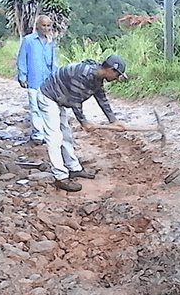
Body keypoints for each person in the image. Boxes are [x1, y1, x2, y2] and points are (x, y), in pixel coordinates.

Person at [37, 54, 128, 192]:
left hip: (59, 99)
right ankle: (60, 177)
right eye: (117, 75)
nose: (117, 78)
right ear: (110, 70)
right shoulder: (83, 75)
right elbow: (75, 101)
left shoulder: (97, 77)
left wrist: (113, 120)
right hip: (49, 96)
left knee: (66, 135)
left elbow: (101, 97)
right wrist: (84, 122)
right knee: (54, 137)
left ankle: (74, 168)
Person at [17, 15, 57, 145]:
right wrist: (22, 76)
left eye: (48, 26)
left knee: (47, 108)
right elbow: (22, 58)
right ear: (38, 26)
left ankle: (47, 133)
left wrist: (56, 77)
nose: (45, 28)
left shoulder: (51, 42)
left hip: (48, 82)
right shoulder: (28, 40)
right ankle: (37, 135)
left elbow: (53, 62)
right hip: (33, 80)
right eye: (43, 25)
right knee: (35, 108)